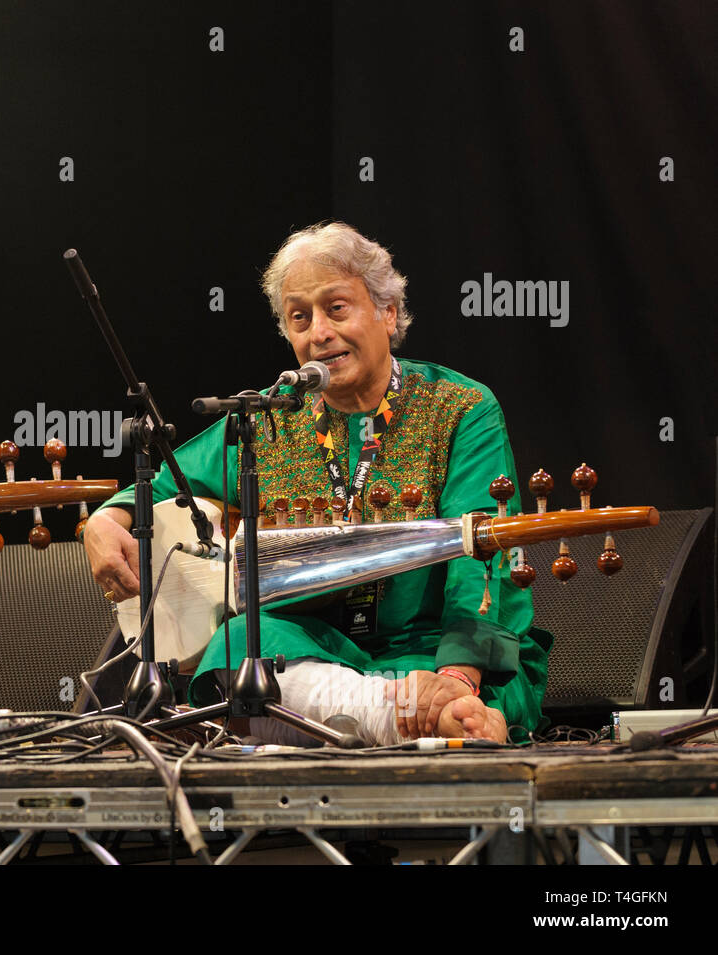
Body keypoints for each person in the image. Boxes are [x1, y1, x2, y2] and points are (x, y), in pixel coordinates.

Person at [83, 222, 551, 746]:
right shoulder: (267, 419)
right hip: (316, 648)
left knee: (458, 696)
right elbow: (166, 477)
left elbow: (484, 558)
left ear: (388, 311)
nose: (318, 333)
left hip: (431, 649)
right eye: (299, 317)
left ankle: (425, 711)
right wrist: (107, 519)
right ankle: (400, 717)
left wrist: (458, 676)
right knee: (238, 651)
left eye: (337, 308)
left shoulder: (459, 408)